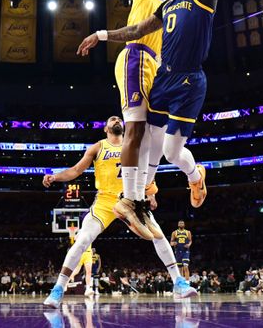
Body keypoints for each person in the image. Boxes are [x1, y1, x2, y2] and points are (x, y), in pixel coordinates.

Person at [78, 0, 227, 211]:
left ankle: (181, 177)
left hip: (185, 77)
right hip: (160, 75)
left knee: (168, 149)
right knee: (152, 142)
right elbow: (134, 29)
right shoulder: (166, 5)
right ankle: (143, 190)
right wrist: (102, 34)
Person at [42, 116, 197, 308]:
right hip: (105, 202)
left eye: (118, 118)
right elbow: (75, 170)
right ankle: (58, 288)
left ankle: (178, 283)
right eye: (111, 119)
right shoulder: (98, 147)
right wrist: (55, 177)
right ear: (105, 128)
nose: (116, 120)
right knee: (82, 240)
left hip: (131, 199)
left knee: (158, 235)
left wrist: (152, 196)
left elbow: (146, 173)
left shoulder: (135, 144)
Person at [106, 0, 169, 240]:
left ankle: (136, 197)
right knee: (134, 129)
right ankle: (128, 199)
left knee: (145, 131)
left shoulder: (168, 7)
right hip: (133, 59)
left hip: (151, 65)